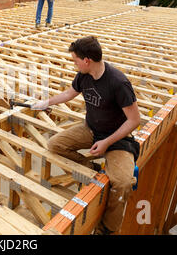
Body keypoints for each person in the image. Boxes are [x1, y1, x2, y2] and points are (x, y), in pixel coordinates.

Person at [32, 36, 141, 235]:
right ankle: (93, 168)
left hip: (116, 139)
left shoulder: (118, 83)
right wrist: (45, 103)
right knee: (55, 145)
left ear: (87, 60)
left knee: (123, 183)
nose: (74, 64)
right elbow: (68, 94)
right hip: (90, 129)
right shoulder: (83, 75)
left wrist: (106, 143)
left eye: (75, 60)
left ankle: (107, 228)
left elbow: (134, 120)